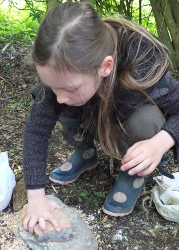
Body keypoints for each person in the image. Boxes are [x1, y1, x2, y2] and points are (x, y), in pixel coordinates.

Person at [22, 2, 179, 234]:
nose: (60, 97)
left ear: (105, 67)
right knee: (55, 105)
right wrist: (35, 197)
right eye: (53, 87)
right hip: (92, 116)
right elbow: (36, 130)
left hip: (128, 123)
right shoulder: (64, 78)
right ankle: (86, 153)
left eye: (70, 88)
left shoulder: (142, 65)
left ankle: (132, 173)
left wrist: (161, 142)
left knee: (145, 121)